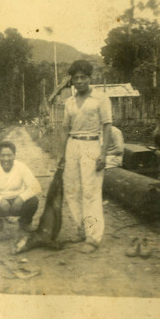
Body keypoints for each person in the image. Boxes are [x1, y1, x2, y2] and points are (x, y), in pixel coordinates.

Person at [59, 60, 112, 252]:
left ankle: (93, 237)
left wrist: (104, 153)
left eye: (83, 77)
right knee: (72, 190)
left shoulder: (100, 99)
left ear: (90, 78)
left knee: (91, 192)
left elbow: (107, 126)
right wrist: (62, 155)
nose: (79, 81)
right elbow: (65, 128)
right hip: (72, 145)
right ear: (71, 80)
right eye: (76, 78)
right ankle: (81, 229)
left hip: (92, 146)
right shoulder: (69, 102)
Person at [0, 141, 41, 233]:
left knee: (33, 201)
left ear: (14, 155)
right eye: (3, 155)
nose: (6, 159)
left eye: (9, 155)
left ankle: (25, 223)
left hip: (17, 203)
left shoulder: (21, 166)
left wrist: (21, 198)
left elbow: (36, 186)